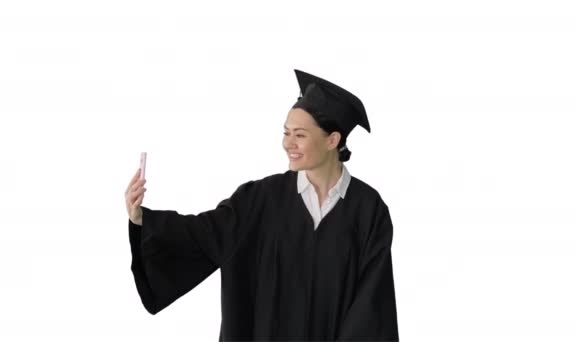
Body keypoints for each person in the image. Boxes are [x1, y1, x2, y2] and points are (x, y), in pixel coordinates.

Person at [124, 69, 399, 341]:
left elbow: (373, 309)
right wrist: (144, 221)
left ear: (332, 140)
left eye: (299, 135)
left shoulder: (368, 211)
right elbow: (203, 233)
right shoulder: (260, 199)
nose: (287, 143)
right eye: (286, 132)